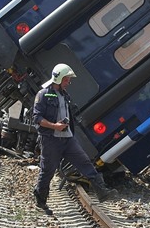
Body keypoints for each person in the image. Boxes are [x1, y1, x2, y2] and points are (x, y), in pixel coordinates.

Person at [33, 63, 117, 215]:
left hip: (68, 138)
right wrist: (54, 126)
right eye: (66, 79)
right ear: (58, 79)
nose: (68, 82)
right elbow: (37, 118)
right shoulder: (43, 94)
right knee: (47, 171)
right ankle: (40, 199)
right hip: (50, 140)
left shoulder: (66, 95)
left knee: (84, 162)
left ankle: (102, 192)